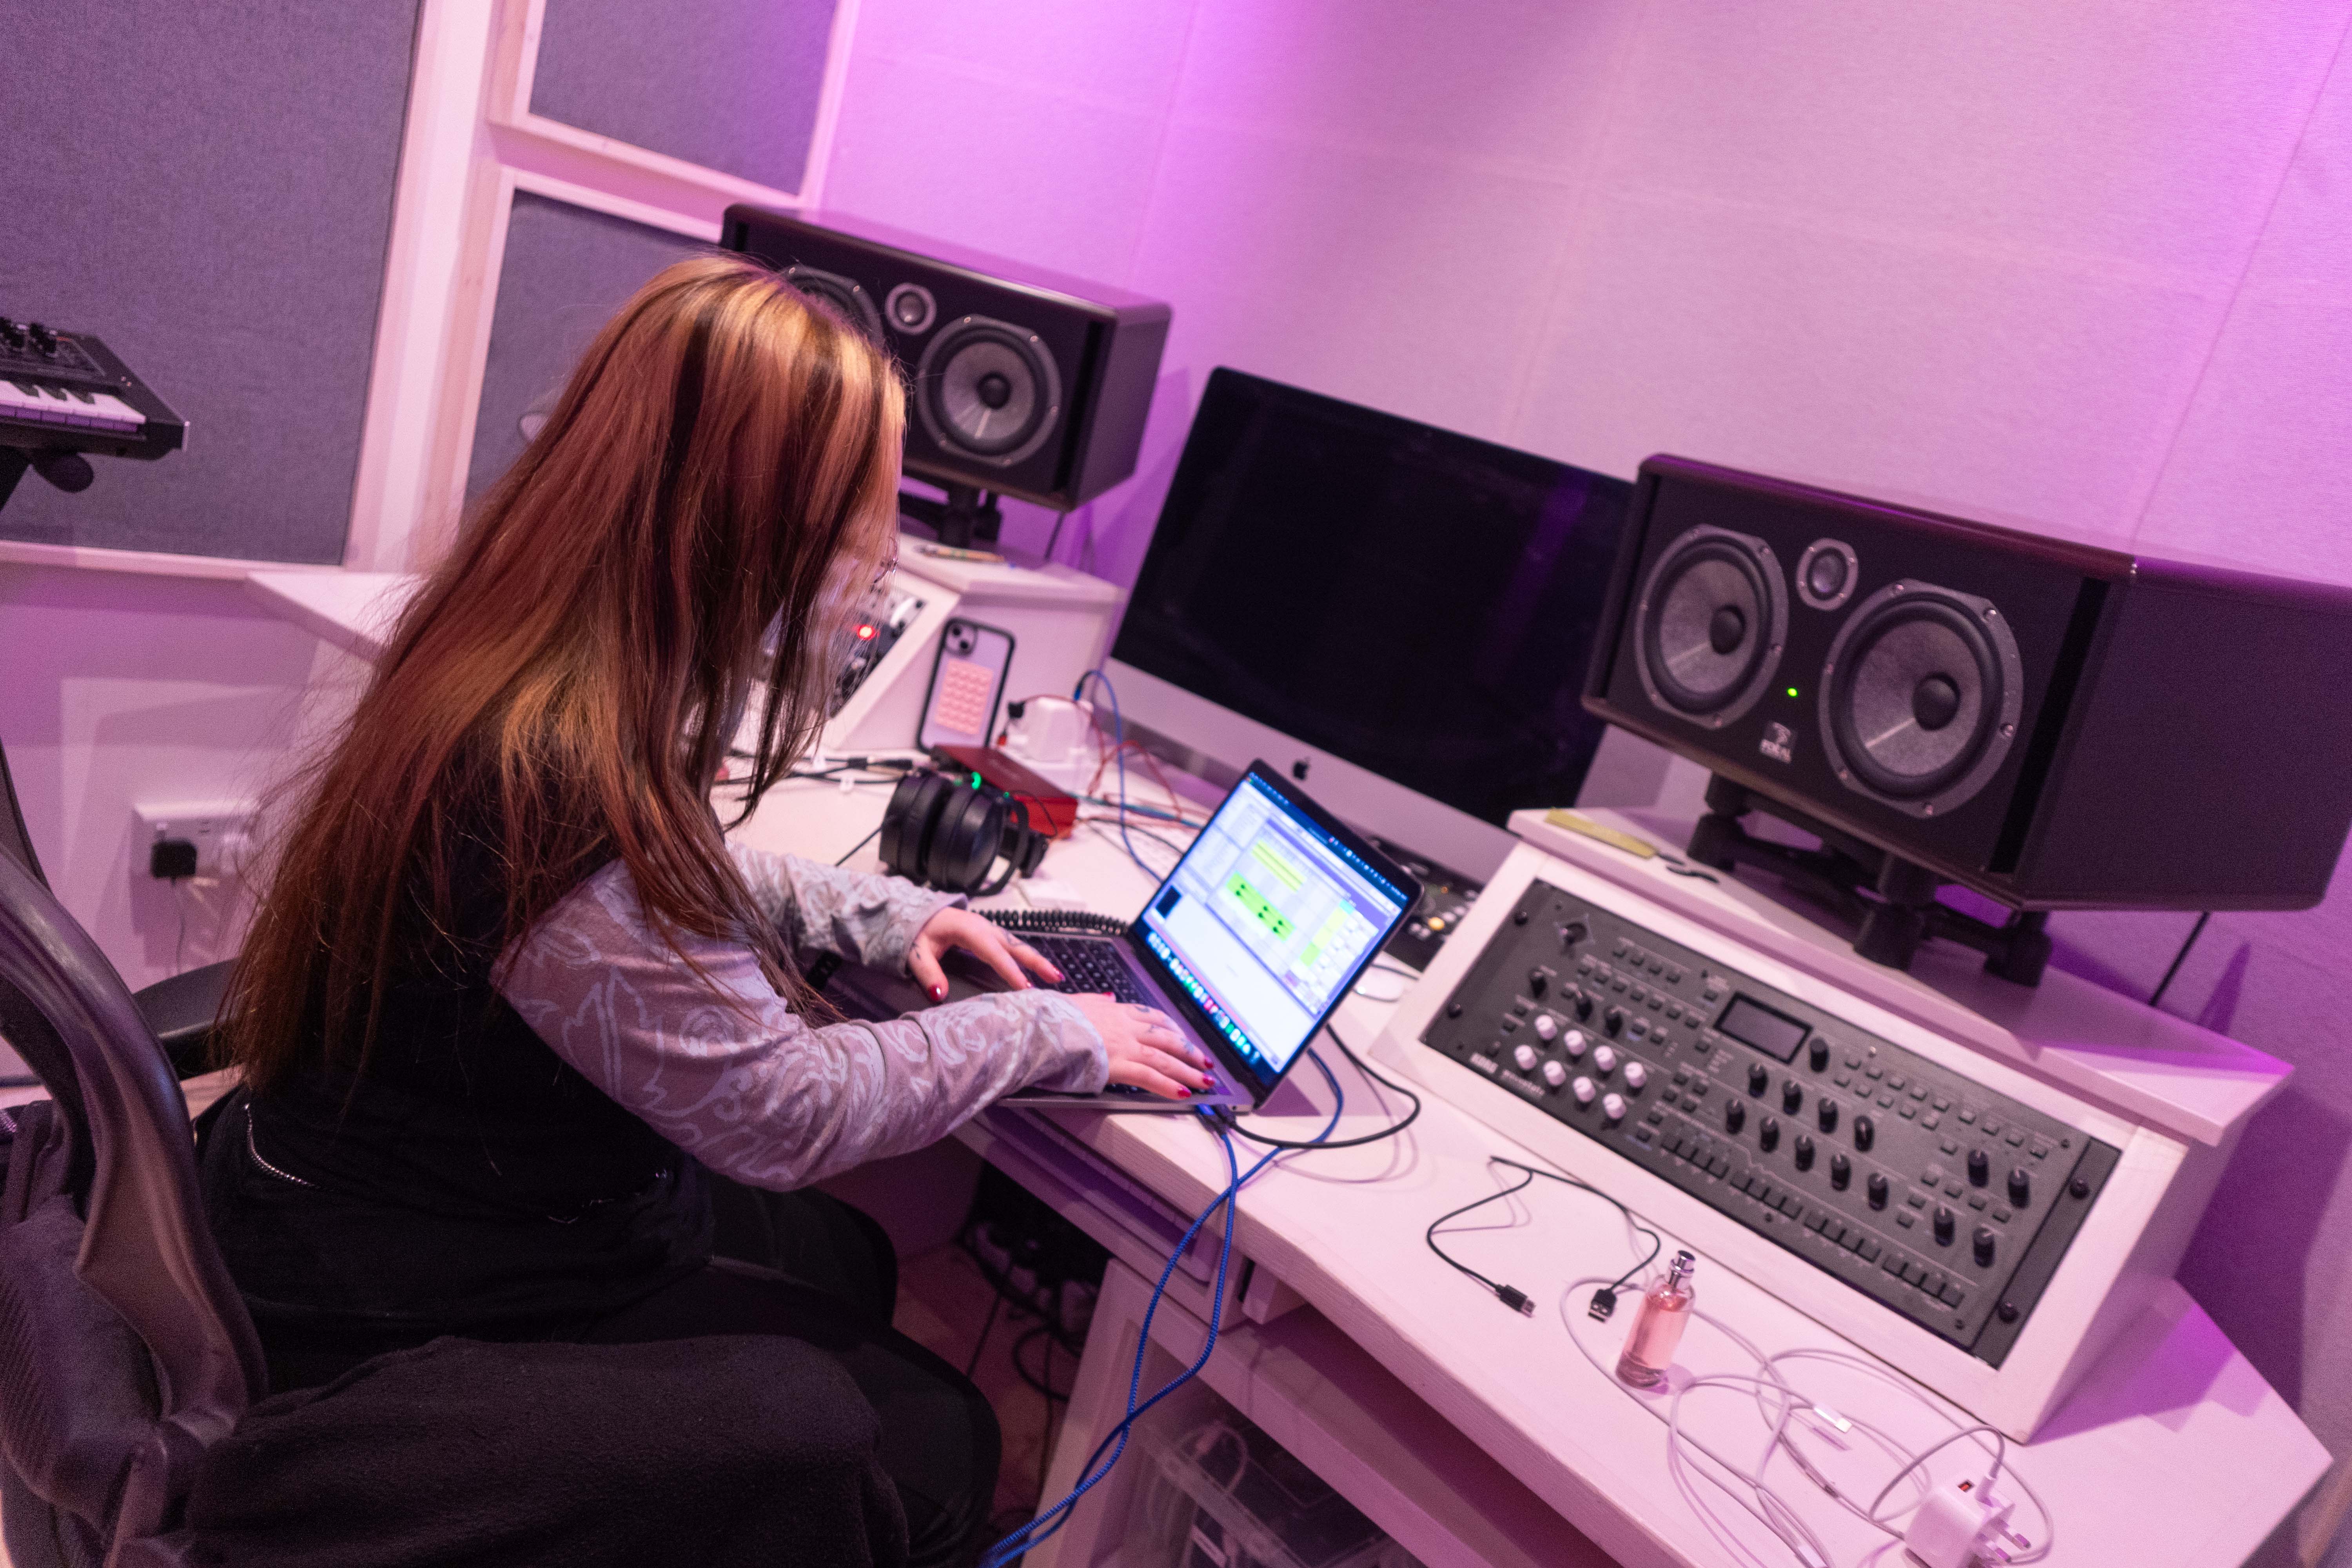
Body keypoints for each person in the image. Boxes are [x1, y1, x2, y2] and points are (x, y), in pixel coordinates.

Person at [202, 255, 1214, 1566]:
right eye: (854, 521)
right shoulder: (556, 785)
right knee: (944, 1442)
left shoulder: (521, 659)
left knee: (846, 1259)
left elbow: (662, 880)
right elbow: (785, 1113)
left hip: (368, 1191)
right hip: (394, 1299)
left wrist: (878, 915)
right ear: (752, 528)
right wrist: (1051, 1031)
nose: (870, 561)